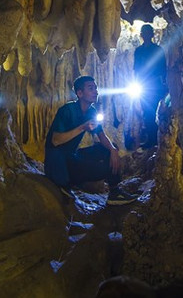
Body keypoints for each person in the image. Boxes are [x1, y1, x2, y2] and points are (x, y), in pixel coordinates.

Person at [44, 76, 138, 205]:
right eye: (91, 88)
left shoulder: (91, 112)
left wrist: (112, 150)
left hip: (72, 157)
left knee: (108, 149)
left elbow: (102, 136)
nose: (96, 91)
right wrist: (82, 127)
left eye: (96, 88)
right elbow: (56, 141)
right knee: (78, 162)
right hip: (57, 162)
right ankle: (64, 185)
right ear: (80, 93)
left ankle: (114, 192)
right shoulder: (66, 110)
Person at [133, 23, 167, 149]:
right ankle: (151, 139)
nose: (146, 36)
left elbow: (163, 69)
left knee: (156, 112)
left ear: (151, 35)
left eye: (148, 33)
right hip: (143, 85)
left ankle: (159, 139)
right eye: (144, 33)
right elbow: (136, 69)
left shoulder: (157, 50)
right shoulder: (139, 51)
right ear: (142, 35)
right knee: (147, 113)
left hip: (155, 85)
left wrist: (164, 85)